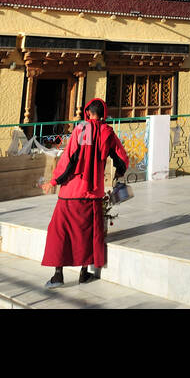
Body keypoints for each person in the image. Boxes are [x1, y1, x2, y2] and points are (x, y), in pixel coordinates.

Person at [41, 97, 129, 288]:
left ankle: (58, 275)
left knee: (60, 232)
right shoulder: (108, 132)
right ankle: (83, 273)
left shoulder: (82, 129)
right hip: (93, 194)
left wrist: (55, 180)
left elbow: (70, 158)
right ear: (104, 114)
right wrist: (120, 173)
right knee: (88, 234)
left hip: (71, 192)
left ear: (88, 112)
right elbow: (122, 158)